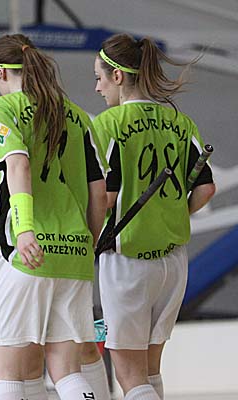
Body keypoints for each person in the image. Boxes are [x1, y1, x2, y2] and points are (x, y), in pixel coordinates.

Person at [0, 34, 108, 400]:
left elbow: (18, 166)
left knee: (9, 372)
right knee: (67, 372)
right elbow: (98, 191)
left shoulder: (1, 109)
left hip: (24, 254)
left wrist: (24, 230)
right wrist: (89, 241)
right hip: (74, 253)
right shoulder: (77, 115)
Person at [93, 33, 215, 400]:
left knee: (129, 375)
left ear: (117, 76)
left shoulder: (108, 124)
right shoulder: (181, 121)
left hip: (127, 260)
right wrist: (172, 214)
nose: (97, 87)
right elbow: (205, 189)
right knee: (149, 370)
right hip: (173, 262)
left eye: (99, 77)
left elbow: (106, 196)